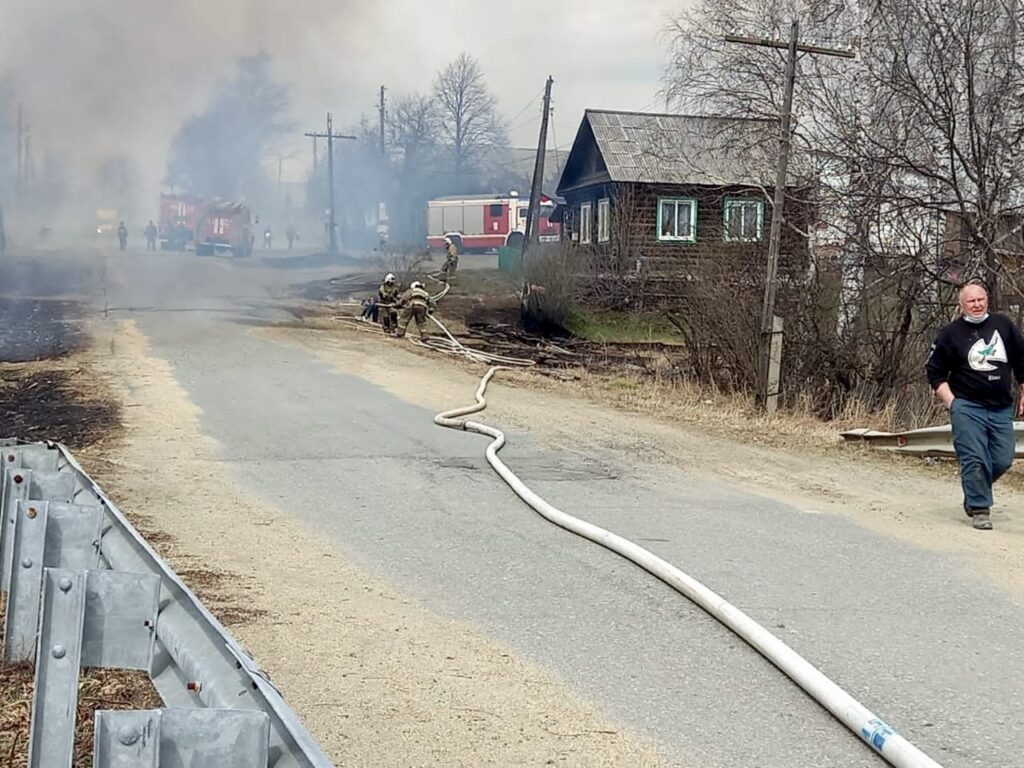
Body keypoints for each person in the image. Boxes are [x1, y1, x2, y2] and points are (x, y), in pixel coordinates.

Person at [926, 282, 1024, 530]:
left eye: (981, 299)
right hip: (967, 406)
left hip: (1001, 407)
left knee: (1003, 459)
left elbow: (1021, 362)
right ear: (962, 306)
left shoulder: (1003, 326)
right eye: (971, 301)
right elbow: (935, 372)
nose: (977, 304)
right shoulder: (951, 333)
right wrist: (953, 403)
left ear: (987, 300)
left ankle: (974, 493)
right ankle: (980, 509)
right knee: (975, 459)